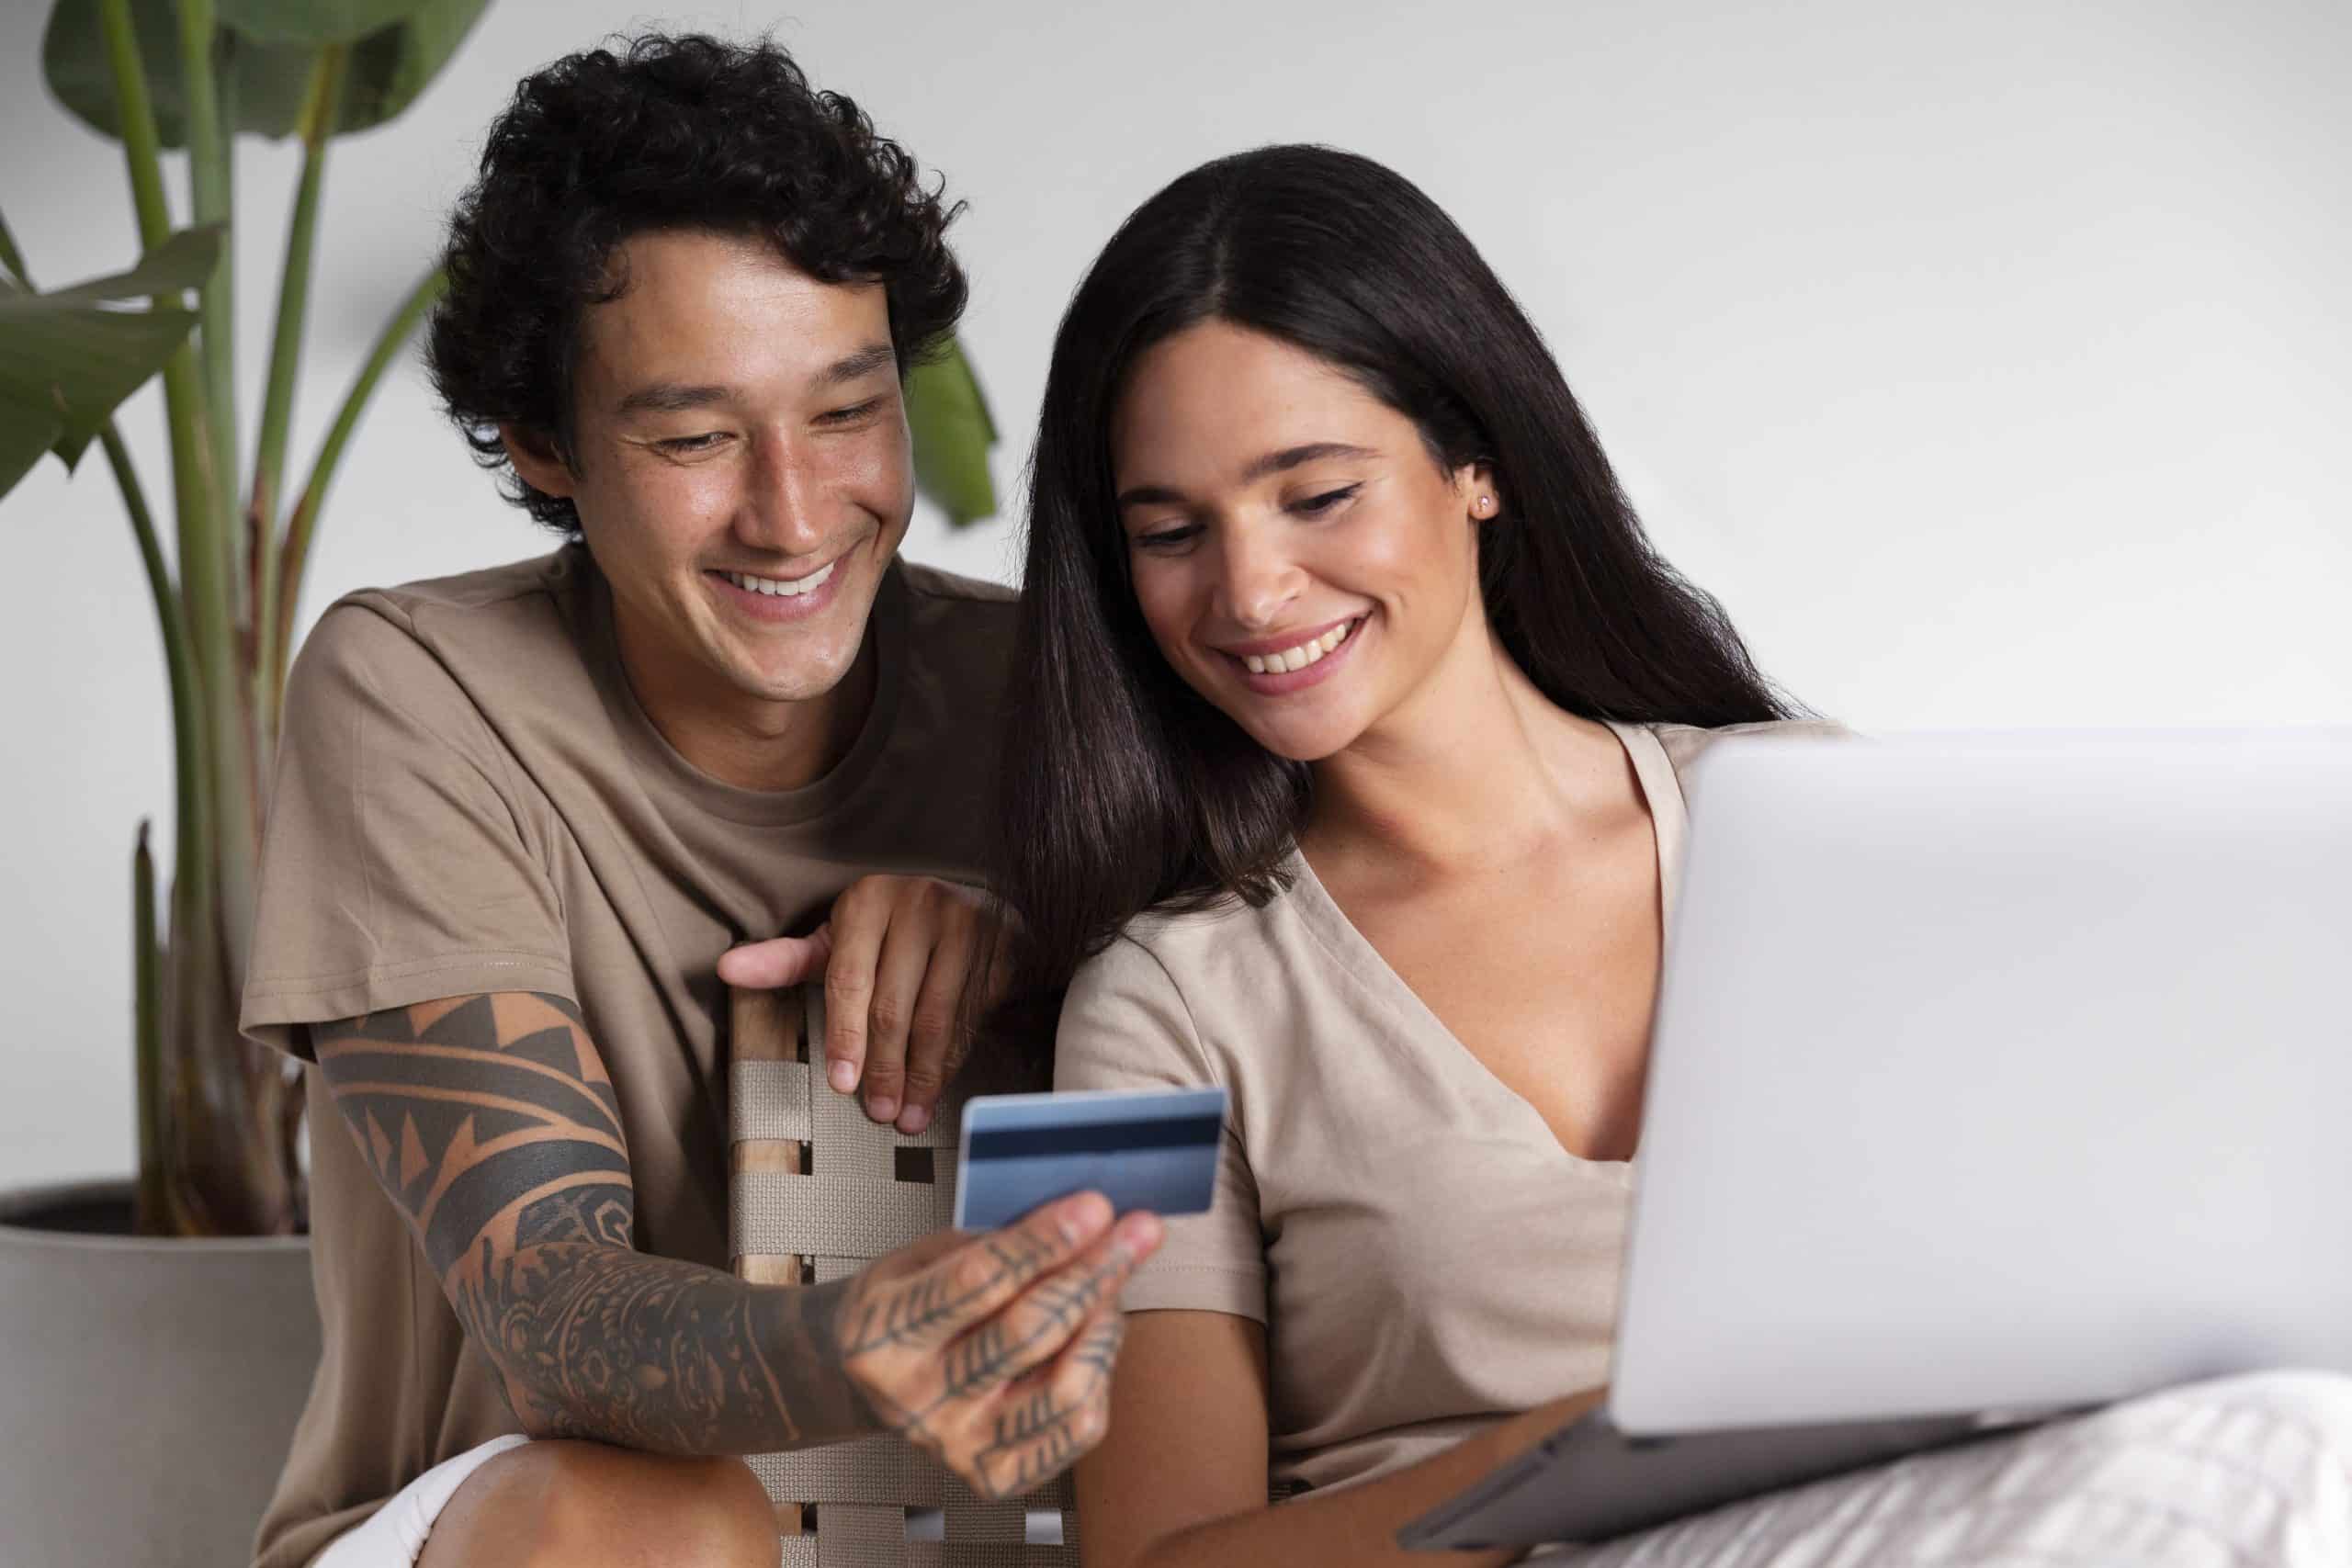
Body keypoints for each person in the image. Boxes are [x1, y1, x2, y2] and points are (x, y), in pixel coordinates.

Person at [996, 144, 2352, 1567]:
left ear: (1479, 465)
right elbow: (1150, 1564)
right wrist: (1572, 1455)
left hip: (1917, 1530)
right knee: (2287, 1474)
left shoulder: (1816, 820)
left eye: (1318, 494)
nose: (1251, 588)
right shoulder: (1149, 1003)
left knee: (2285, 1436)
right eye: (1170, 532)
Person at [240, 36, 1158, 1568]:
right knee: (659, 1523)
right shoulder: (415, 692)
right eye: (693, 437)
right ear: (545, 445)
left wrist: (1046, 937)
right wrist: (860, 1342)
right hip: (517, 1522)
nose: (794, 513)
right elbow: (550, 1313)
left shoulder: (1041, 691)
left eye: (850, 413)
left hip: (964, 1534)